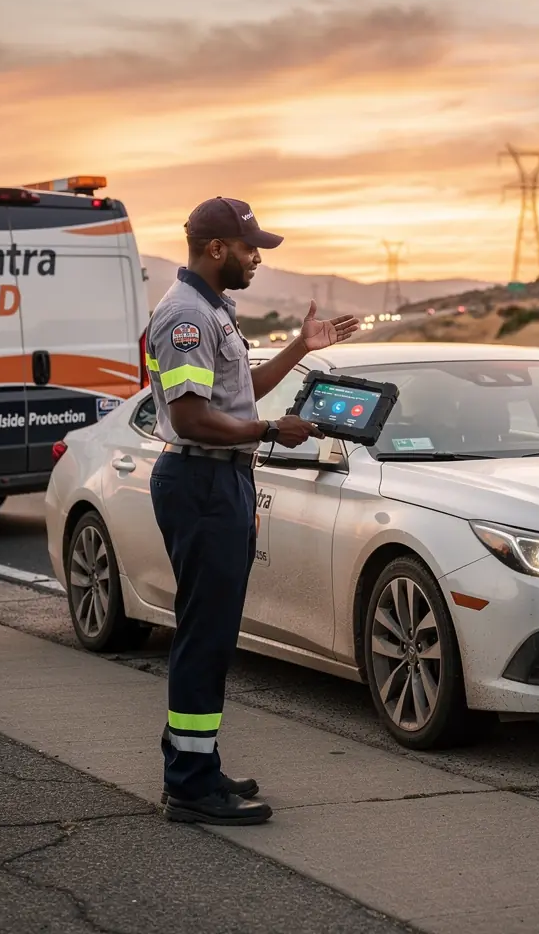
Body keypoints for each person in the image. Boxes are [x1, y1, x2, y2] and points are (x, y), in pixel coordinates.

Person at [145, 196, 360, 826]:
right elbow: (191, 417)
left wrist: (300, 347)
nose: (256, 258)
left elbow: (235, 396)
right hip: (201, 481)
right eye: (249, 248)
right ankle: (188, 785)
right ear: (216, 249)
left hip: (221, 481)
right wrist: (270, 433)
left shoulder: (211, 310)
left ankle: (198, 765)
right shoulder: (186, 316)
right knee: (204, 636)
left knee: (212, 636)